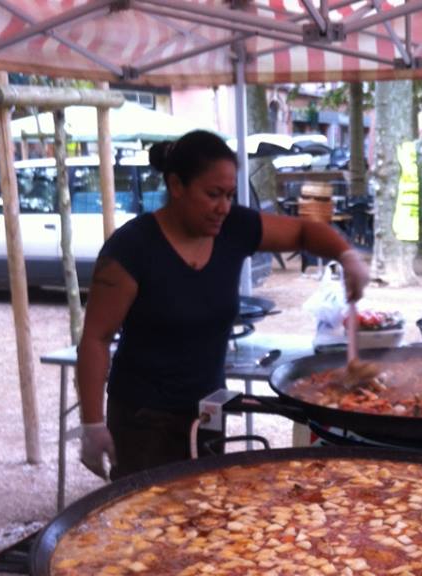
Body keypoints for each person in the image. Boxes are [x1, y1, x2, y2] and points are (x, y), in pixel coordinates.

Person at [77, 130, 370, 480]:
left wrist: (346, 254)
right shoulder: (132, 248)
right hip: (144, 419)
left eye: (230, 195)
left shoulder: (234, 228)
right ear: (176, 185)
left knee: (206, 517)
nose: (224, 207)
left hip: (208, 410)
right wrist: (92, 424)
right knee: (151, 524)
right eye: (213, 194)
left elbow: (305, 232)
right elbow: (95, 338)